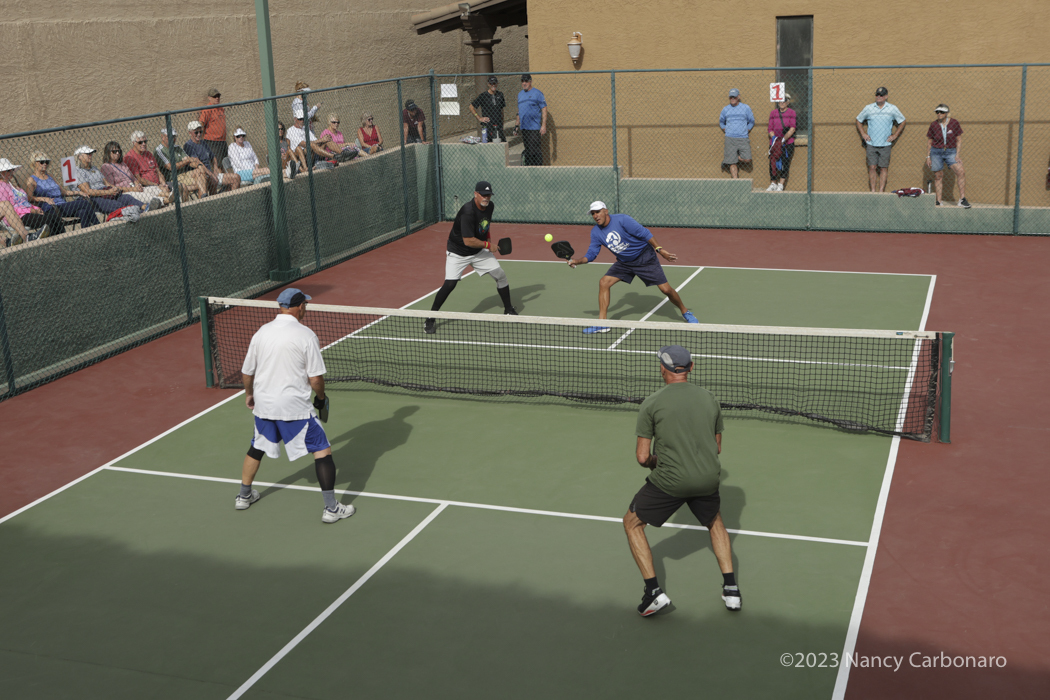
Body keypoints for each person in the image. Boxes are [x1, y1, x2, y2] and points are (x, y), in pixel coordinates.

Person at [624, 345, 740, 616]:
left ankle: (653, 593)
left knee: (632, 523)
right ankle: (732, 590)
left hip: (670, 481)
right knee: (715, 521)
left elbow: (642, 457)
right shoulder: (709, 398)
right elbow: (716, 447)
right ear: (691, 367)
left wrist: (657, 461)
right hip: (707, 478)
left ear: (662, 369)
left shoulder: (652, 403)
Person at [236, 287, 356, 524]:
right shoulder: (306, 335)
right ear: (300, 307)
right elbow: (316, 379)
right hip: (295, 408)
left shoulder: (261, 332)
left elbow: (247, 372)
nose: (306, 309)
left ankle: (243, 496)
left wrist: (249, 394)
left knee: (257, 446)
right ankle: (332, 509)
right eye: (305, 305)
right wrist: (320, 398)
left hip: (265, 404)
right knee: (322, 450)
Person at [566, 202, 699, 334]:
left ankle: (685, 312)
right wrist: (577, 261)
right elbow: (591, 254)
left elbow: (645, 233)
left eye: (598, 212)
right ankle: (602, 324)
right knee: (604, 282)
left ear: (606, 211)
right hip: (624, 262)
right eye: (593, 213)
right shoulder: (596, 232)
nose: (595, 216)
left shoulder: (623, 220)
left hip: (644, 257)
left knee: (666, 289)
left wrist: (659, 249)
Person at [424, 181, 516, 334]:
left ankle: (508, 309)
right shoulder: (468, 212)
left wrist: (488, 241)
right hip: (458, 252)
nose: (486, 198)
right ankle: (430, 318)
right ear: (475, 194)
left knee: (500, 275)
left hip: (478, 251)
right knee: (450, 284)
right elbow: (468, 241)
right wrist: (488, 245)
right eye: (483, 195)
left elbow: (485, 226)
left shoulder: (490, 206)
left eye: (489, 195)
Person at [25, 151, 99, 229]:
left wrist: (79, 192)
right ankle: (98, 226)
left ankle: (87, 232)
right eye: (42, 162)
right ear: (34, 163)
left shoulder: (50, 176)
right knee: (84, 203)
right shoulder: (32, 179)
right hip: (51, 208)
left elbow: (64, 192)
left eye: (47, 162)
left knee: (83, 212)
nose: (45, 164)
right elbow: (29, 198)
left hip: (62, 206)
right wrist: (44, 199)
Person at [0, 157, 65, 240]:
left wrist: (36, 208)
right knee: (48, 220)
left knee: (54, 217)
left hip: (28, 211)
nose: (12, 172)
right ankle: (53, 243)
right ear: (1, 173)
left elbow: (25, 202)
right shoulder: (1, 187)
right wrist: (31, 210)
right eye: (8, 170)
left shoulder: (12, 185)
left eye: (12, 170)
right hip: (19, 216)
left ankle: (64, 241)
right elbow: (10, 209)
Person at [856, 87, 906, 193]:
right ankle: (873, 191)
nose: (879, 97)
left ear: (886, 96)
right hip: (871, 143)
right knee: (872, 167)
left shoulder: (892, 108)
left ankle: (881, 191)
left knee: (884, 168)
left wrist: (895, 135)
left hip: (885, 144)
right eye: (877, 95)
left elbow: (902, 121)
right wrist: (863, 134)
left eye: (881, 95)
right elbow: (858, 120)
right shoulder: (869, 108)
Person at [71, 146, 143, 218]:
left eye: (91, 153)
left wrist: (115, 189)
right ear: (79, 156)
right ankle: (137, 213)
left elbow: (107, 184)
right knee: (116, 204)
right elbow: (88, 191)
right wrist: (108, 192)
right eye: (88, 154)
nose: (90, 155)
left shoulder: (94, 168)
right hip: (94, 197)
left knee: (127, 198)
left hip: (106, 191)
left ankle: (145, 208)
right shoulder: (78, 171)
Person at [926, 104, 970, 209]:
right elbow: (929, 142)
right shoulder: (933, 125)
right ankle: (938, 201)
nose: (939, 114)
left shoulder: (954, 123)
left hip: (951, 151)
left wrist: (957, 155)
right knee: (938, 176)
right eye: (937, 112)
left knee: (961, 171)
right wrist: (928, 156)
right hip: (936, 152)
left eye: (941, 112)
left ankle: (962, 199)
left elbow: (959, 139)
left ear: (946, 113)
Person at [99, 140, 163, 211]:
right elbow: (112, 187)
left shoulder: (122, 163)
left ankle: (168, 196)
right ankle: (165, 200)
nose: (117, 153)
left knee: (154, 189)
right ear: (108, 153)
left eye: (119, 151)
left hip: (134, 188)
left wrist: (138, 185)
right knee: (147, 195)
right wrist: (133, 189)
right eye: (114, 151)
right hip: (125, 192)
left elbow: (133, 178)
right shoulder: (106, 167)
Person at [185, 120, 241, 193]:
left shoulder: (203, 143)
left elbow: (213, 157)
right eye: (196, 132)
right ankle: (214, 199)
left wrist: (215, 168)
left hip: (211, 173)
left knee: (236, 178)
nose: (199, 134)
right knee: (213, 181)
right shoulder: (188, 146)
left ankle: (232, 198)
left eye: (200, 132)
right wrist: (211, 174)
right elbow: (198, 163)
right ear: (190, 133)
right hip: (202, 176)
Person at [123, 131, 177, 205]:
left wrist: (164, 184)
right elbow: (139, 179)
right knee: (167, 193)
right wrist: (157, 185)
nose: (144, 144)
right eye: (140, 142)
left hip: (160, 184)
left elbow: (158, 172)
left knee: (182, 187)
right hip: (147, 187)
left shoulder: (149, 154)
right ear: (133, 143)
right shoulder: (130, 157)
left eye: (145, 141)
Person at [156, 127, 206, 199]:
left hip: (185, 174)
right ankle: (203, 198)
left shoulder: (177, 148)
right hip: (173, 178)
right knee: (201, 182)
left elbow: (190, 161)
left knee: (199, 172)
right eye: (169, 137)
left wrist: (199, 165)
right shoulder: (159, 151)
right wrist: (186, 161)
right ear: (162, 137)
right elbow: (171, 167)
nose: (172, 139)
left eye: (174, 137)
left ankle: (203, 198)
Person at [719, 88, 754, 179]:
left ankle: (731, 158)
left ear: (738, 97)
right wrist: (725, 129)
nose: (732, 99)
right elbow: (721, 122)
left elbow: (751, 121)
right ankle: (735, 181)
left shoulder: (745, 108)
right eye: (731, 97)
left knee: (747, 159)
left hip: (743, 137)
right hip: (730, 138)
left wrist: (747, 130)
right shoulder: (726, 109)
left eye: (734, 97)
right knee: (732, 162)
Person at [766, 93, 797, 191]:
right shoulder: (773, 113)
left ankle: (781, 184)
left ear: (788, 102)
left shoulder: (792, 113)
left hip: (787, 142)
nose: (782, 103)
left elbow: (792, 128)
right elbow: (770, 128)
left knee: (785, 162)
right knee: (772, 162)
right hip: (774, 142)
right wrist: (775, 140)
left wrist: (783, 140)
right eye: (780, 100)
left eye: (784, 100)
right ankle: (773, 183)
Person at [516, 74, 547, 165]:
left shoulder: (537, 93)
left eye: (526, 81)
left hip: (534, 128)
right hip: (524, 128)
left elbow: (544, 109)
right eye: (522, 81)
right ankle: (529, 170)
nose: (524, 83)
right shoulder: (520, 94)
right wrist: (516, 125)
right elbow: (519, 111)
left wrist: (543, 125)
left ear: (530, 82)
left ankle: (538, 170)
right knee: (528, 151)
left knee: (535, 151)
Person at [199, 88, 229, 171]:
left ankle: (222, 178)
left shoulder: (220, 108)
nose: (217, 98)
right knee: (217, 165)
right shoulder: (207, 109)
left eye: (218, 96)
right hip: (213, 141)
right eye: (214, 96)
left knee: (224, 164)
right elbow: (201, 123)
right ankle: (219, 179)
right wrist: (201, 138)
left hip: (222, 141)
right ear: (209, 98)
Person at [470, 75, 507, 142]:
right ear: (488, 84)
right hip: (488, 126)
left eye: (494, 83)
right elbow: (471, 107)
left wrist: (502, 123)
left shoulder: (500, 95)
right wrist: (479, 118)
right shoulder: (483, 96)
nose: (493, 85)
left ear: (497, 83)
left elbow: (502, 110)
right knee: (489, 145)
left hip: (498, 125)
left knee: (502, 144)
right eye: (491, 83)